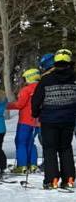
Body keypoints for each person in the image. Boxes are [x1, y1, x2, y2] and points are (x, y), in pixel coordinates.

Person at [31, 47, 76, 190]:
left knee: (50, 149)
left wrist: (35, 113)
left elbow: (36, 99)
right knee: (66, 148)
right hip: (68, 119)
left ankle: (52, 180)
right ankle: (69, 179)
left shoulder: (46, 79)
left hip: (49, 119)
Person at [7, 68, 41, 174]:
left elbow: (20, 104)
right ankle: (33, 164)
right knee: (31, 142)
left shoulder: (26, 90)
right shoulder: (42, 87)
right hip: (38, 121)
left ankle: (22, 165)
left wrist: (7, 105)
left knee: (21, 142)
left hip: (25, 121)